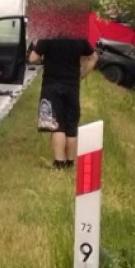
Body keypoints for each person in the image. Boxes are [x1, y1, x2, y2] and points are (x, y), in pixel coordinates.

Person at [28, 37, 98, 169]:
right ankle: (70, 162)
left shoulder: (48, 36)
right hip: (72, 86)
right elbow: (93, 58)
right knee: (71, 124)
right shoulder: (79, 38)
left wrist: (42, 58)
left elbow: (32, 58)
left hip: (51, 85)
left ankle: (60, 162)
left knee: (56, 123)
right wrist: (82, 74)